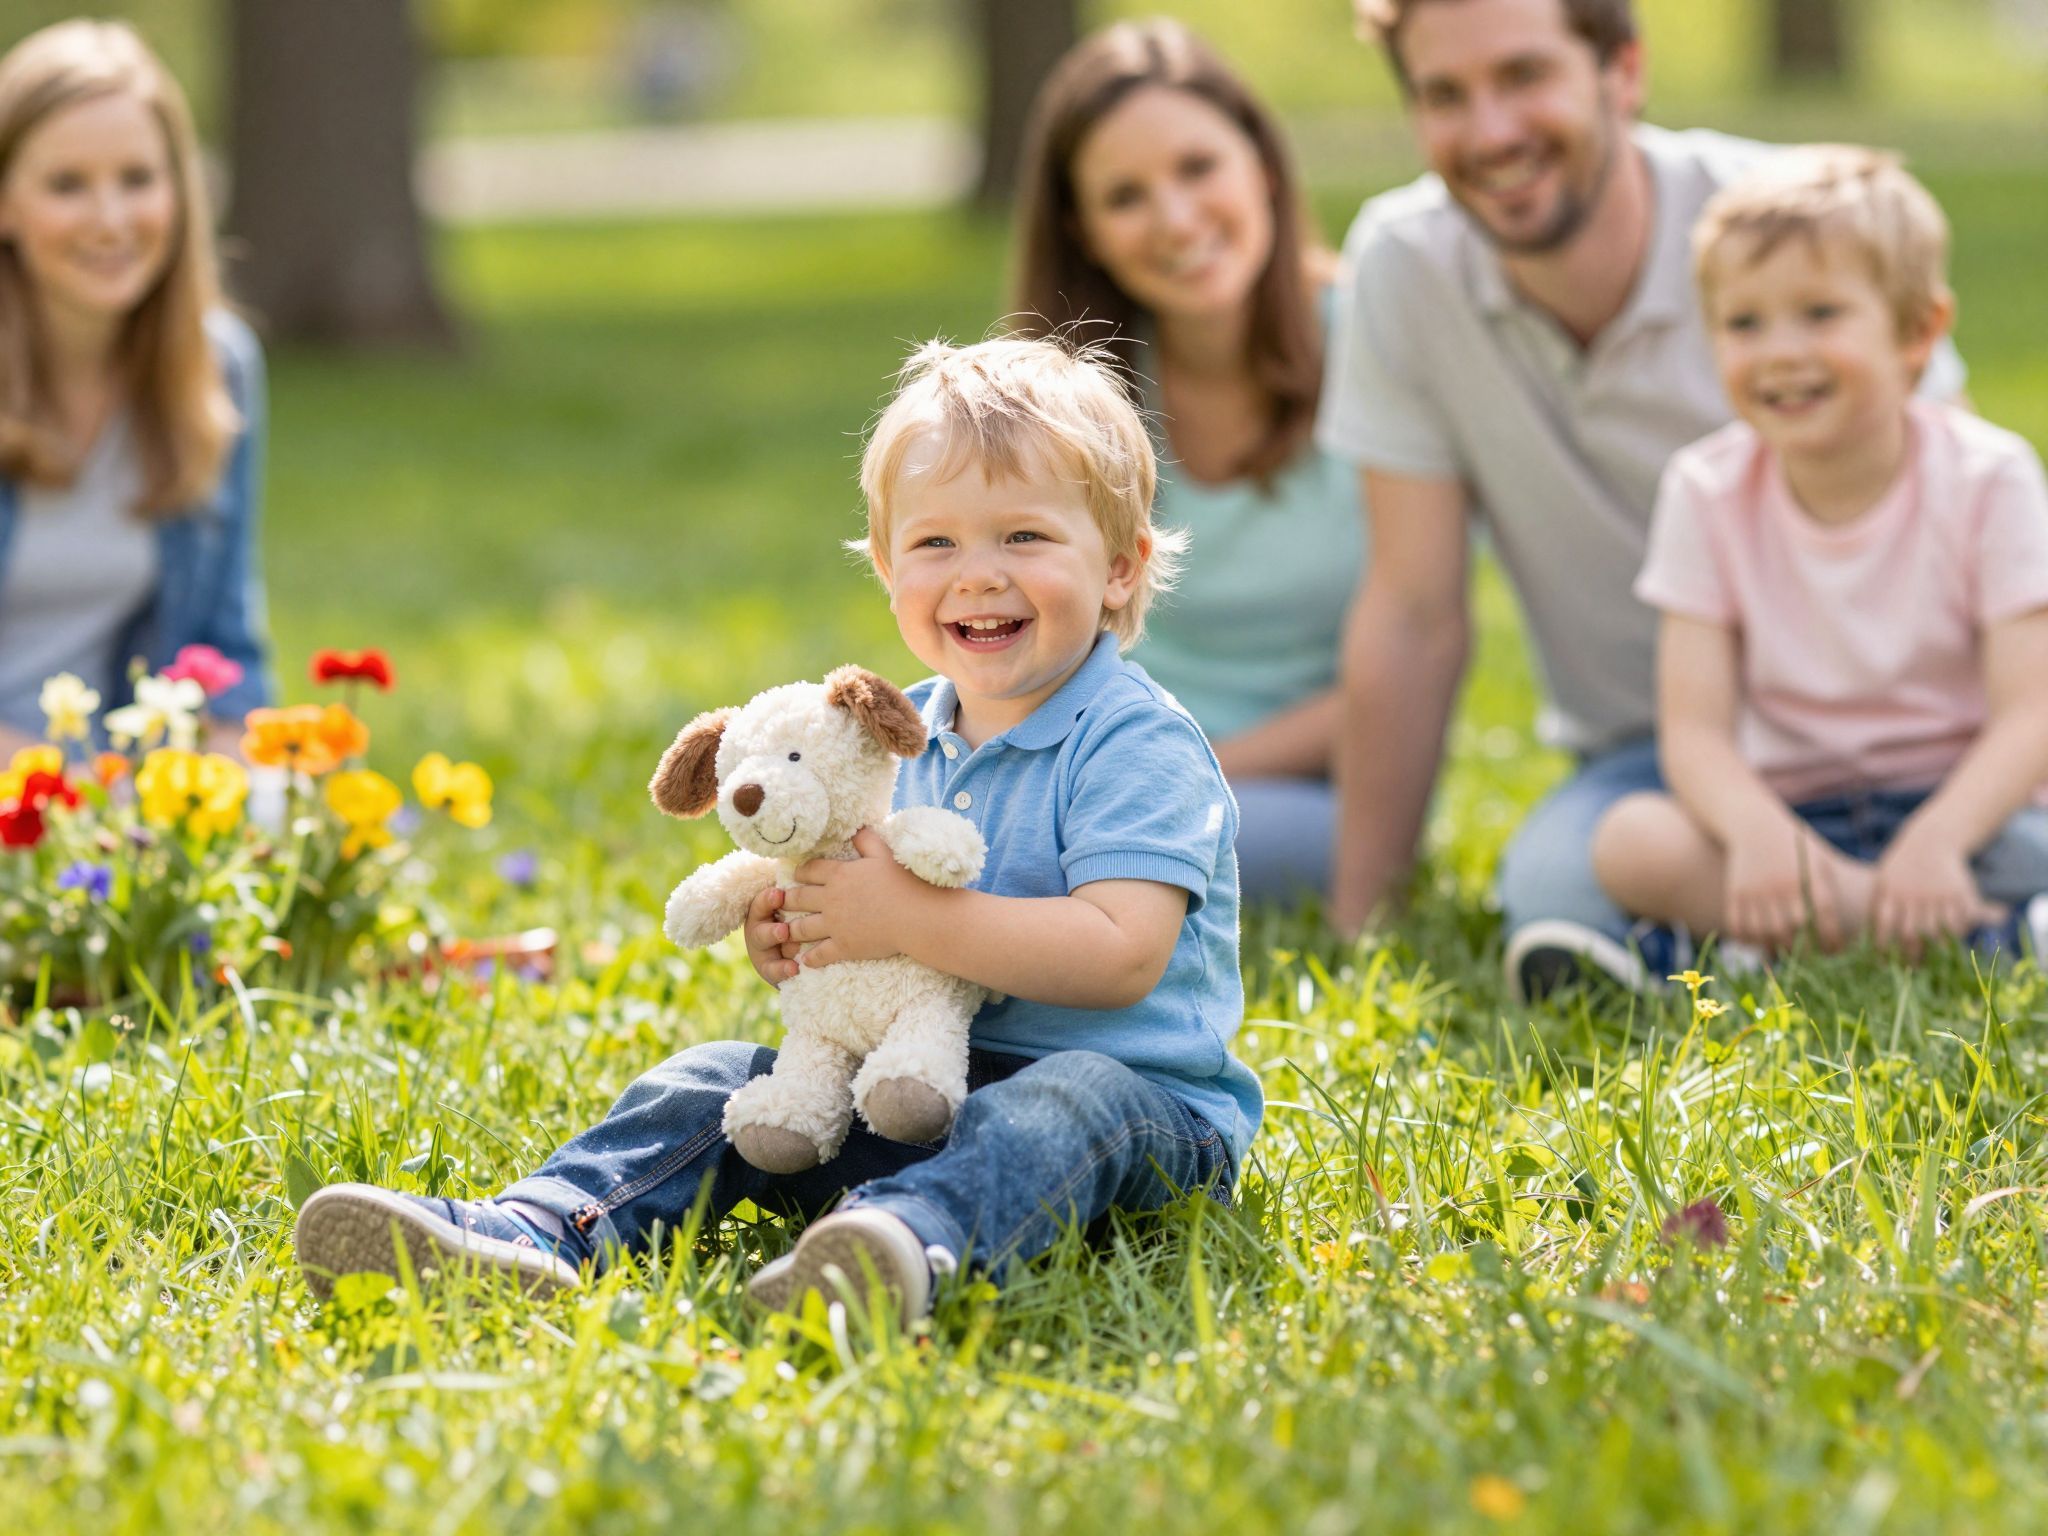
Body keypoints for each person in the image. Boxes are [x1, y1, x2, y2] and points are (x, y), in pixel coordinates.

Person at [294, 336, 1261, 1324]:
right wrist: (801, 935)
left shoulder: (1135, 742)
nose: (975, 576)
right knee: (709, 1080)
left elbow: (1118, 955)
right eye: (935, 544)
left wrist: (904, 921)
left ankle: (901, 1243)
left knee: (1063, 1099)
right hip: (911, 1089)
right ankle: (537, 1227)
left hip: (1138, 1124)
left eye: (1023, 538)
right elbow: (861, 920)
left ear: (1119, 566)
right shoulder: (890, 736)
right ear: (886, 567)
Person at [1316, 0, 1964, 996]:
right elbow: (1411, 611)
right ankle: (1931, 926)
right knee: (1551, 889)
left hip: (1909, 740)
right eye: (1444, 94)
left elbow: (1956, 519)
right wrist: (1362, 922)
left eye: (1524, 76)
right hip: (1663, 762)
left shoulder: (1796, 233)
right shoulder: (1402, 266)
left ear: (1621, 71)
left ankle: (1791, 926)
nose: (1489, 132)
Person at [1589, 148, 2048, 965]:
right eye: (1744, 323)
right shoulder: (1705, 490)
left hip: (1975, 814)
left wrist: (1938, 839)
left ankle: (1782, 940)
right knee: (1632, 842)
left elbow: (2030, 713)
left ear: (1918, 333)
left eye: (1821, 313)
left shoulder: (1991, 475)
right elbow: (1693, 735)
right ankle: (1977, 938)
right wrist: (1768, 841)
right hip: (1798, 819)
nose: (1779, 352)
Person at [1010, 19, 1365, 903]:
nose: (1175, 219)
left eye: (1199, 168)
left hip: (1309, 794)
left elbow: (1415, 654)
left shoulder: (1377, 341)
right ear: (1082, 229)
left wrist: (1178, 773)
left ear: (1263, 165)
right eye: (1125, 196)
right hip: (1087, 773)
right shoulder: (1063, 394)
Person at [0, 20, 269, 757]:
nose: (111, 220)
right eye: (66, 185)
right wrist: (68, 799)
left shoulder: (220, 369)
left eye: (137, 179)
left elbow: (225, 655)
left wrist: (224, 789)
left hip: (114, 812)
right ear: (5, 204)